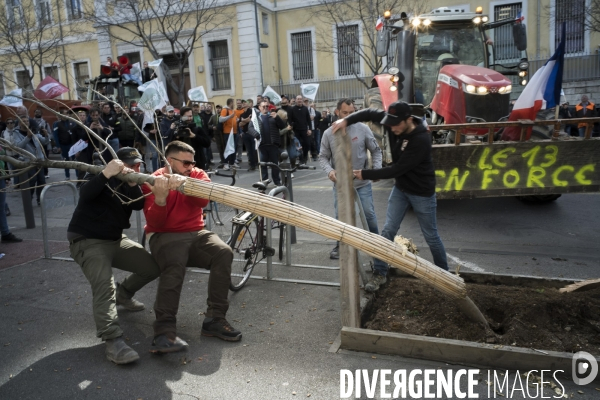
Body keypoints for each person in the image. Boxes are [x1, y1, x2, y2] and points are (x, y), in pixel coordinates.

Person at [333, 101, 449, 292]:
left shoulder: (421, 139)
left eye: (397, 124)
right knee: (387, 232)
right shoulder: (391, 121)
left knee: (431, 236)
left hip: (421, 193)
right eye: (390, 123)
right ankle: (380, 272)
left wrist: (367, 174)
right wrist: (346, 120)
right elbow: (369, 112)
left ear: (409, 120)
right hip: (401, 190)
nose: (391, 127)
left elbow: (398, 168)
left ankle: (444, 278)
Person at [142, 140, 242, 352]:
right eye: (186, 163)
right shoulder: (153, 180)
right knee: (175, 263)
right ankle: (164, 330)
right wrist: (160, 198)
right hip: (164, 234)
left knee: (223, 252)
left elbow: (202, 202)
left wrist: (184, 186)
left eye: (192, 162)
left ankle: (215, 319)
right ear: (170, 161)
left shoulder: (197, 175)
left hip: (196, 232)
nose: (191, 167)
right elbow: (156, 223)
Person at [68, 149, 160, 364]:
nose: (136, 169)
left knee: (152, 268)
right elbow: (85, 193)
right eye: (131, 165)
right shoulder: (98, 176)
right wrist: (105, 174)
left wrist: (132, 183)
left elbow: (138, 205)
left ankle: (124, 294)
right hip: (87, 240)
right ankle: (113, 341)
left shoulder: (129, 182)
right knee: (104, 286)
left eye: (138, 165)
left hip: (115, 239)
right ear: (117, 164)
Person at [319, 98, 382, 260]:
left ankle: (377, 246)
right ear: (337, 112)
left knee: (369, 215)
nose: (348, 116)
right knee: (341, 217)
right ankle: (341, 245)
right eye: (345, 113)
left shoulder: (363, 129)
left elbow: (376, 151)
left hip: (362, 183)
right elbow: (323, 157)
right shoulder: (328, 133)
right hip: (340, 185)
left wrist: (376, 169)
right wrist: (330, 171)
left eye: (351, 113)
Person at [9, 112, 48, 206]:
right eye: (23, 121)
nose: (26, 122)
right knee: (32, 181)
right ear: (20, 123)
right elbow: (18, 146)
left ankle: (40, 199)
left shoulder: (34, 131)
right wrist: (28, 137)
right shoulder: (16, 133)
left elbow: (44, 142)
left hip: (40, 160)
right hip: (28, 161)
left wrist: (46, 135)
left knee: (42, 181)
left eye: (27, 121)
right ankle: (28, 200)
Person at [248, 100, 286, 185]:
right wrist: (255, 134)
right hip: (262, 145)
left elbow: (282, 126)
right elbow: (250, 128)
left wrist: (277, 118)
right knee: (262, 165)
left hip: (273, 145)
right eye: (263, 106)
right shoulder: (256, 118)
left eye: (267, 106)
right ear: (259, 108)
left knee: (275, 165)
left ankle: (277, 181)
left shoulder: (273, 116)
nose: (265, 108)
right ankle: (264, 181)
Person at [0, 144, 22, 243]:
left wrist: (7, 176)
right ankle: (5, 233)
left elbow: (4, 160)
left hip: (1, 176)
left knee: (1, 207)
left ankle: (5, 233)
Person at [288, 95, 312, 164]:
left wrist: (310, 129)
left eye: (300, 99)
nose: (299, 100)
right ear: (296, 100)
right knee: (298, 145)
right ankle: (301, 159)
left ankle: (305, 157)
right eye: (298, 99)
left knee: (307, 144)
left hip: (304, 130)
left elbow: (308, 120)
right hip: (296, 130)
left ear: (302, 100)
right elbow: (290, 119)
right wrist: (292, 125)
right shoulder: (292, 109)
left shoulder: (305, 109)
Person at [53, 108, 75, 180]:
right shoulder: (57, 124)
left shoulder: (72, 122)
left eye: (67, 113)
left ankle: (78, 175)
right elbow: (55, 135)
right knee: (66, 161)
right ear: (60, 115)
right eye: (63, 114)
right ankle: (67, 175)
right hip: (63, 145)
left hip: (72, 144)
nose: (65, 115)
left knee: (75, 160)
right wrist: (58, 146)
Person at [219, 98, 239, 169]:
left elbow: (234, 118)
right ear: (230, 103)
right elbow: (220, 119)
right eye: (233, 102)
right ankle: (225, 163)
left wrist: (237, 120)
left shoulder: (232, 110)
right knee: (228, 148)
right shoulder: (225, 110)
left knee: (234, 148)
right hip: (228, 132)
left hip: (234, 132)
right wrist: (230, 116)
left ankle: (232, 162)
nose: (234, 104)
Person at [240, 99, 258, 171]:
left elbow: (250, 120)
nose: (243, 104)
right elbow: (240, 124)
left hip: (252, 133)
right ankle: (252, 165)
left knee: (254, 150)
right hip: (245, 133)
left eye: (245, 103)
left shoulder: (252, 111)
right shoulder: (242, 114)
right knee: (249, 150)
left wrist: (244, 120)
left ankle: (256, 163)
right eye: (242, 103)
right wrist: (246, 120)